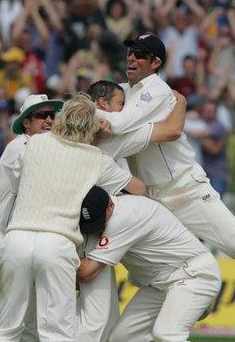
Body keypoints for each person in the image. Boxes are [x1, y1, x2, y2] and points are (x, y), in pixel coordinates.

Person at [94, 33, 235, 288]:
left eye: (139, 54)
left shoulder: (157, 89)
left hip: (184, 189)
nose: (131, 57)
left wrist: (81, 112)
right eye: (130, 51)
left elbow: (119, 123)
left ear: (155, 63)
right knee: (147, 270)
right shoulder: (125, 92)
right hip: (152, 198)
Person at [0, 94, 146, 342]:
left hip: (16, 238)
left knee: (6, 331)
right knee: (57, 335)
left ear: (60, 120)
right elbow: (139, 189)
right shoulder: (96, 159)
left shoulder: (36, 143)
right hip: (57, 243)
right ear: (91, 127)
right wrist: (100, 143)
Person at [81, 80, 188, 342]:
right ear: (103, 105)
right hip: (96, 231)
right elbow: (140, 187)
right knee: (94, 321)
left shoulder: (59, 140)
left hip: (81, 232)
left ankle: (183, 295)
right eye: (121, 105)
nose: (126, 111)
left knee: (103, 321)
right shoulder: (101, 153)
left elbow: (171, 131)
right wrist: (181, 100)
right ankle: (185, 295)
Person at [0, 94, 63, 342]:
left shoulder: (53, 151)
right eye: (42, 116)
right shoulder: (18, 146)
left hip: (27, 246)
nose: (50, 120)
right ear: (26, 123)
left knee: (28, 325)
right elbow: (35, 162)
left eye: (53, 115)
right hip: (0, 240)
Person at [77, 187, 221, 342]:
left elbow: (86, 272)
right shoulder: (116, 210)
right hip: (160, 285)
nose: (97, 229)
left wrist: (56, 269)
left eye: (99, 221)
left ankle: (193, 303)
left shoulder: (123, 217)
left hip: (193, 274)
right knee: (122, 338)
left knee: (167, 334)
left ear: (110, 204)